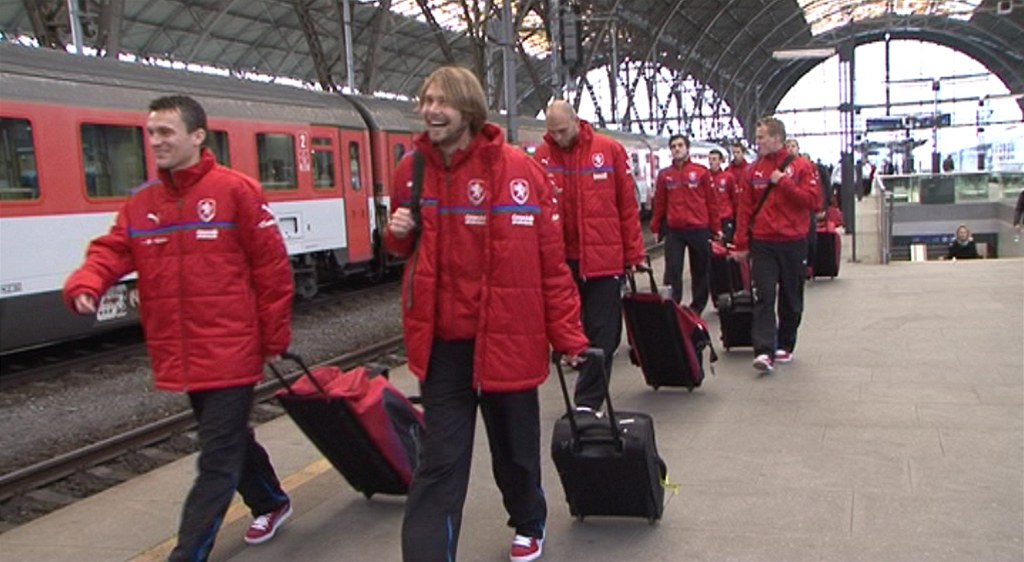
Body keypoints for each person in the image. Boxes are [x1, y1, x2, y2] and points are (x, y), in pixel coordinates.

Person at [62, 95, 294, 561]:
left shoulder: (236, 191)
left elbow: (272, 270)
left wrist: (272, 338)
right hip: (183, 351)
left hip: (232, 348)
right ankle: (271, 500)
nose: (155, 141)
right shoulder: (143, 203)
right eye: (151, 133)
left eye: (165, 132)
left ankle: (187, 554)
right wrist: (87, 284)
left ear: (197, 136)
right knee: (229, 441)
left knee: (217, 458)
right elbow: (112, 250)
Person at [385, 66, 590, 562]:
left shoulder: (519, 170)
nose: (431, 110)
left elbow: (550, 264)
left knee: (515, 452)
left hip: (508, 337)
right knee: (439, 464)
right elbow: (404, 248)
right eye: (426, 100)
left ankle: (529, 520)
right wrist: (395, 234)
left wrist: (570, 337)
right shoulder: (411, 170)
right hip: (444, 345)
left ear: (469, 109)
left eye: (442, 102)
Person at [533, 99, 646, 414]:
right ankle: (585, 384)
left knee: (603, 333)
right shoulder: (542, 156)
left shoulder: (609, 150)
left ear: (576, 121)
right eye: (552, 132)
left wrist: (634, 253)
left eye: (562, 130)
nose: (557, 137)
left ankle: (588, 401)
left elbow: (627, 206)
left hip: (603, 261)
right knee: (570, 329)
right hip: (560, 261)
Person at [733, 117, 821, 373]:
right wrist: (741, 244)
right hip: (763, 243)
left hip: (794, 242)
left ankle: (785, 343)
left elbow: (813, 202)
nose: (757, 142)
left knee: (791, 297)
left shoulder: (802, 167)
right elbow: (744, 210)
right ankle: (763, 350)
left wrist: (784, 183)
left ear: (776, 138)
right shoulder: (752, 172)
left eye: (761, 137)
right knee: (764, 295)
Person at [649, 134, 721, 311]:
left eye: (680, 145)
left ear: (687, 148)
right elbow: (660, 203)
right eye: (673, 146)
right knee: (672, 270)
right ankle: (673, 306)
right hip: (675, 230)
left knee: (701, 270)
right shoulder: (665, 175)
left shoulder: (701, 172)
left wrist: (716, 228)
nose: (677, 149)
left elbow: (711, 202)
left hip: (699, 228)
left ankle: (697, 307)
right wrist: (656, 227)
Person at [708, 148, 738, 244]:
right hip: (710, 218)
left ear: (720, 161)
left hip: (725, 217)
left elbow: (735, 198)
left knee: (725, 244)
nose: (711, 162)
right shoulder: (706, 177)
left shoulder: (728, 177)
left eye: (714, 159)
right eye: (710, 159)